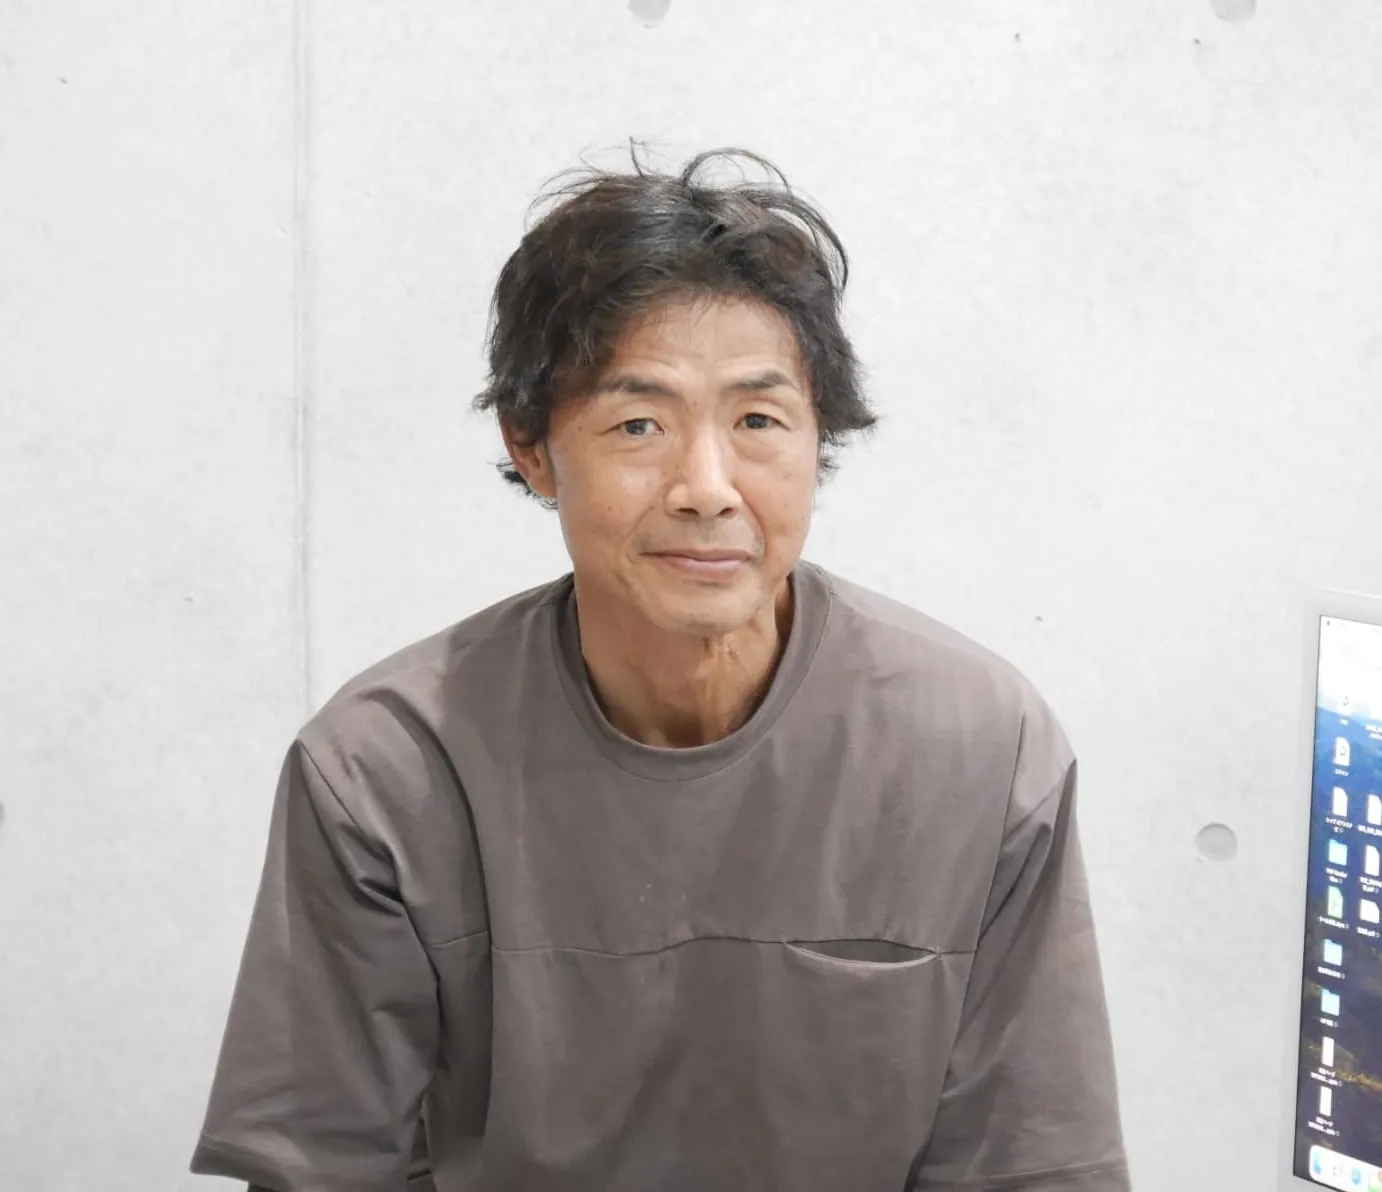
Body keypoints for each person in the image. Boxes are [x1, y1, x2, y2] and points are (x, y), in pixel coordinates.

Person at [190, 144, 1130, 1191]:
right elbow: (325, 1168)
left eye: (758, 421)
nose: (706, 486)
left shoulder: (978, 746)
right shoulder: (385, 769)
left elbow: (1029, 1164)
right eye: (638, 424)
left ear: (818, 438)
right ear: (533, 447)